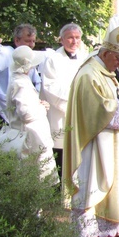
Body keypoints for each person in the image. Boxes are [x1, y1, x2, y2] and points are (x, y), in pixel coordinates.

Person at [63, 18, 119, 237]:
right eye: (118, 58)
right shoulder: (89, 74)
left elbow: (113, 99)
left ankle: (107, 229)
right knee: (94, 183)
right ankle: (90, 232)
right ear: (106, 52)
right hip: (94, 143)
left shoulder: (104, 71)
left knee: (112, 182)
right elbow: (99, 109)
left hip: (109, 143)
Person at [40, 23, 87, 177]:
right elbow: (50, 87)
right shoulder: (53, 59)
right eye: (70, 38)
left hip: (81, 112)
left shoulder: (85, 58)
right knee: (61, 152)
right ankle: (61, 191)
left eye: (77, 38)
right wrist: (73, 103)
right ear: (61, 39)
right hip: (61, 113)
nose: (74, 41)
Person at [6, 46, 57, 182]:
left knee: (38, 176)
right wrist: (42, 107)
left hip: (34, 136)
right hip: (31, 137)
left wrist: (39, 103)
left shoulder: (21, 79)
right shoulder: (20, 82)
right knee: (37, 178)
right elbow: (26, 113)